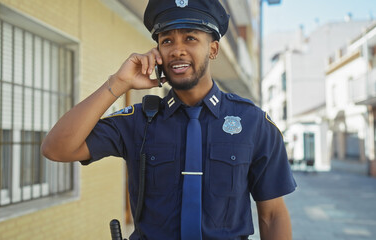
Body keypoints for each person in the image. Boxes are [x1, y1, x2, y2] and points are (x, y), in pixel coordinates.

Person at [41, 0, 296, 239]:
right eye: (167, 40)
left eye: (190, 38)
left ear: (213, 49)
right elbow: (56, 148)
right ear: (158, 51)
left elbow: (272, 214)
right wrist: (118, 84)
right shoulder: (139, 120)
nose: (177, 50)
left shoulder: (252, 122)